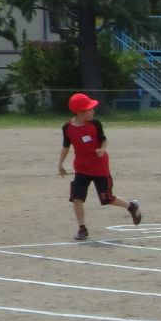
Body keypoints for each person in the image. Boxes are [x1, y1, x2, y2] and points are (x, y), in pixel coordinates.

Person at [57, 92, 141, 240]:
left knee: (107, 198)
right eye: (90, 109)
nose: (93, 111)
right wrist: (60, 164)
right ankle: (82, 229)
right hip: (81, 168)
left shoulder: (95, 124)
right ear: (80, 112)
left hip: (99, 167)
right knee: (76, 198)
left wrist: (102, 149)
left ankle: (131, 206)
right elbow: (66, 146)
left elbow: (104, 140)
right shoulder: (67, 128)